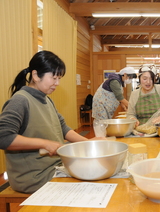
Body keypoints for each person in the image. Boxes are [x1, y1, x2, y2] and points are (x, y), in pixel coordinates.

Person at [0, 51, 94, 193]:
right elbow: (3, 137)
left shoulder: (46, 99)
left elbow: (62, 127)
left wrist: (89, 143)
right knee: (90, 183)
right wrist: (44, 143)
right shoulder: (20, 100)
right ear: (36, 75)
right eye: (54, 78)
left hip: (54, 166)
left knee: (96, 171)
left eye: (59, 78)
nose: (57, 83)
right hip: (33, 176)